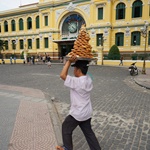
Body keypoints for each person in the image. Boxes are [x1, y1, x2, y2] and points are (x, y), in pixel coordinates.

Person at [56, 55, 101, 150]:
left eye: (75, 68)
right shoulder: (88, 79)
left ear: (78, 70)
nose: (73, 71)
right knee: (89, 133)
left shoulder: (77, 82)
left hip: (78, 113)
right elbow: (85, 74)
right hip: (87, 112)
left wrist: (68, 61)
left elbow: (62, 75)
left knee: (66, 127)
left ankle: (67, 148)